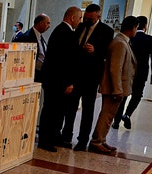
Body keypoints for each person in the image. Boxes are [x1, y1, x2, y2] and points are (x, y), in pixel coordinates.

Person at [63, 4, 114, 151]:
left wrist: (95, 51)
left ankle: (82, 140)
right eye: (85, 17)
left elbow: (106, 54)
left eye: (90, 18)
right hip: (75, 75)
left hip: (91, 77)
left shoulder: (106, 31)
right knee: (71, 108)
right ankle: (67, 135)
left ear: (98, 16)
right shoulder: (80, 27)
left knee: (87, 110)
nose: (86, 20)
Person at [89, 16, 138, 154]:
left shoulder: (122, 41)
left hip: (116, 88)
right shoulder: (120, 43)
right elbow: (115, 68)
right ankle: (96, 141)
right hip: (113, 88)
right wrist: (117, 89)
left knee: (109, 116)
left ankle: (101, 140)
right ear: (133, 28)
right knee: (106, 115)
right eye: (136, 28)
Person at [37, 7, 83, 152]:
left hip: (54, 80)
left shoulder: (62, 31)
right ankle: (45, 140)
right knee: (52, 111)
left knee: (56, 111)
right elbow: (62, 61)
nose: (80, 21)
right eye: (79, 18)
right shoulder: (64, 32)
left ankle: (53, 137)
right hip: (56, 81)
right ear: (73, 18)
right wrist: (68, 83)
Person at [113, 15, 152, 129]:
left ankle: (116, 121)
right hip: (142, 72)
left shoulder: (129, 37)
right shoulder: (151, 39)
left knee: (123, 95)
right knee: (137, 95)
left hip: (127, 71)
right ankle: (127, 114)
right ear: (146, 26)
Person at [14, 13, 51, 83]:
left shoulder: (40, 37)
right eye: (47, 23)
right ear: (41, 23)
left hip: (41, 74)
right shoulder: (27, 37)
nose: (49, 26)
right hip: (32, 75)